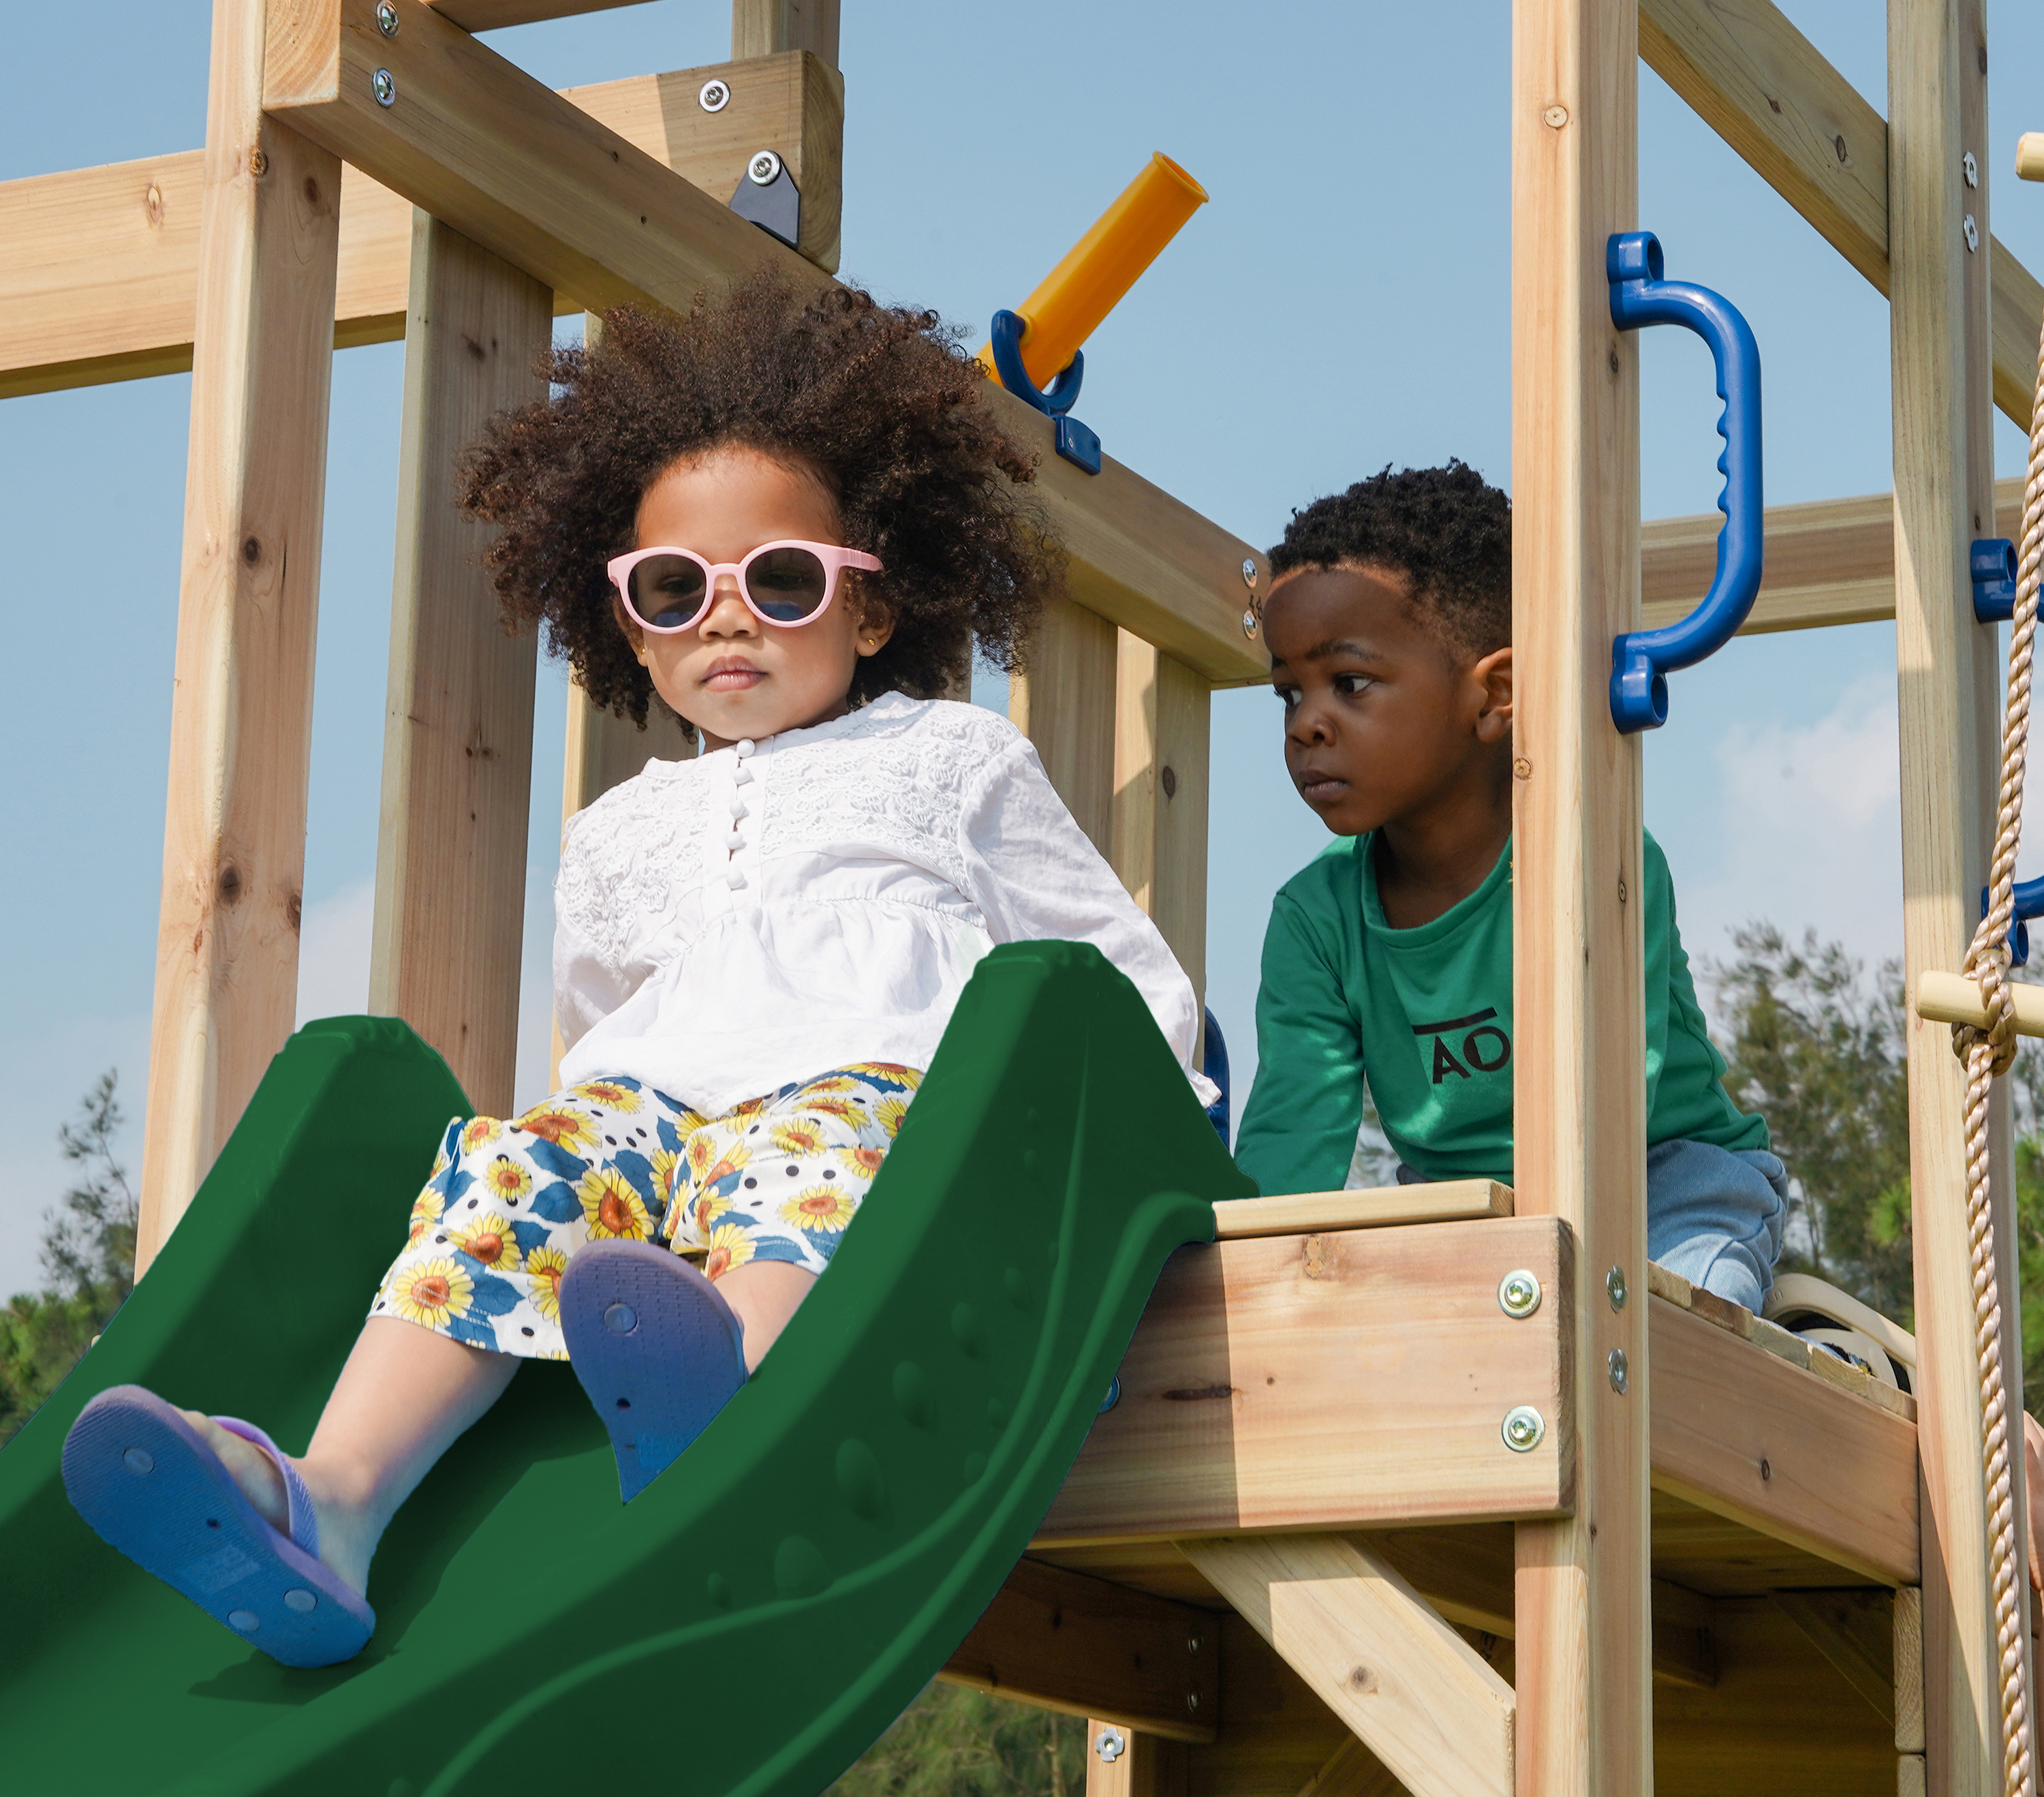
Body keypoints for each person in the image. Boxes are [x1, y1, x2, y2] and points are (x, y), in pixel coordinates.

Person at [62, 275, 1211, 1668]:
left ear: (870, 609)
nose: (725, 619)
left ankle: (738, 1391)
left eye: (779, 582)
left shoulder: (949, 761)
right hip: (663, 1125)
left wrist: (1138, 1166)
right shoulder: (614, 831)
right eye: (675, 590)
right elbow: (598, 1028)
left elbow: (1111, 971)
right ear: (627, 620)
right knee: (511, 1164)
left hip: (864, 1107)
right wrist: (594, 1155)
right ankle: (335, 1498)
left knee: (808, 1150)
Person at [1231, 461, 1786, 1306]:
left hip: (1658, 1184)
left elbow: (1607, 1099)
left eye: (1349, 683)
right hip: (1462, 1209)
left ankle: (1816, 1339)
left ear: (1493, 694)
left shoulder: (1592, 858)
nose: (1308, 722)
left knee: (1677, 1325)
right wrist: (1251, 1298)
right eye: (1287, 692)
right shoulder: (1316, 919)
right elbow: (1290, 1140)